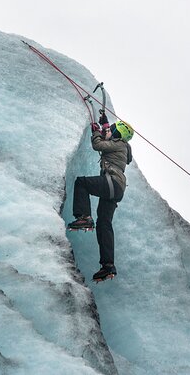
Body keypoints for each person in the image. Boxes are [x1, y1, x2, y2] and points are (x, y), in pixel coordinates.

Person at [67, 114, 134, 282]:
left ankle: (84, 217)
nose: (109, 130)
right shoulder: (121, 145)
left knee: (81, 183)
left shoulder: (118, 145)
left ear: (118, 135)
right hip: (116, 189)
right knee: (104, 224)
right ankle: (108, 266)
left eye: (112, 130)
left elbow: (98, 144)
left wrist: (96, 132)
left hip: (112, 182)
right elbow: (109, 137)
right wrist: (105, 126)